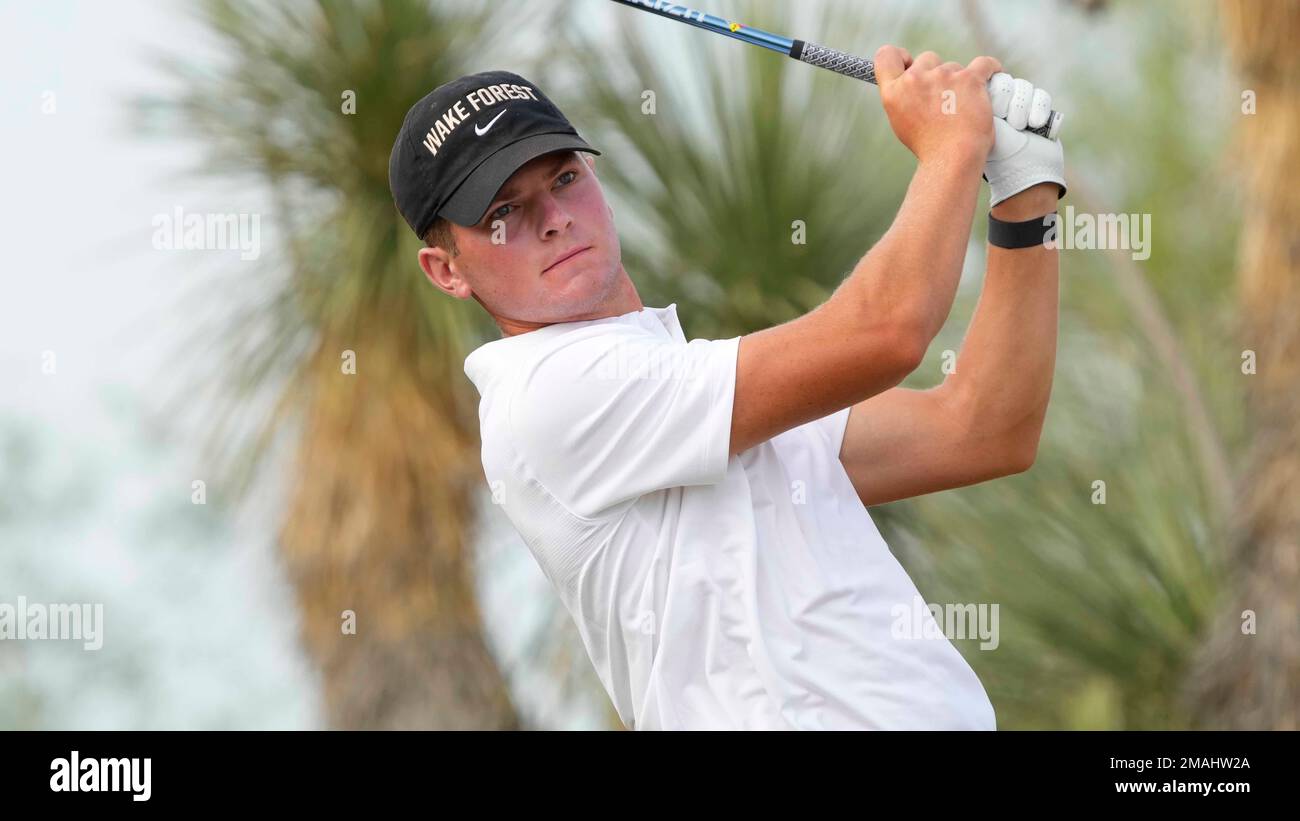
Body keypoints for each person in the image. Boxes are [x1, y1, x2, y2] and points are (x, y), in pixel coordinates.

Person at [387, 54, 1065, 730]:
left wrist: (1023, 188)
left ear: (594, 173)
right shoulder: (543, 395)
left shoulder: (696, 389)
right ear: (445, 270)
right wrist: (950, 148)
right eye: (503, 210)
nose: (555, 218)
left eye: (564, 177)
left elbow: (983, 428)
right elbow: (888, 330)